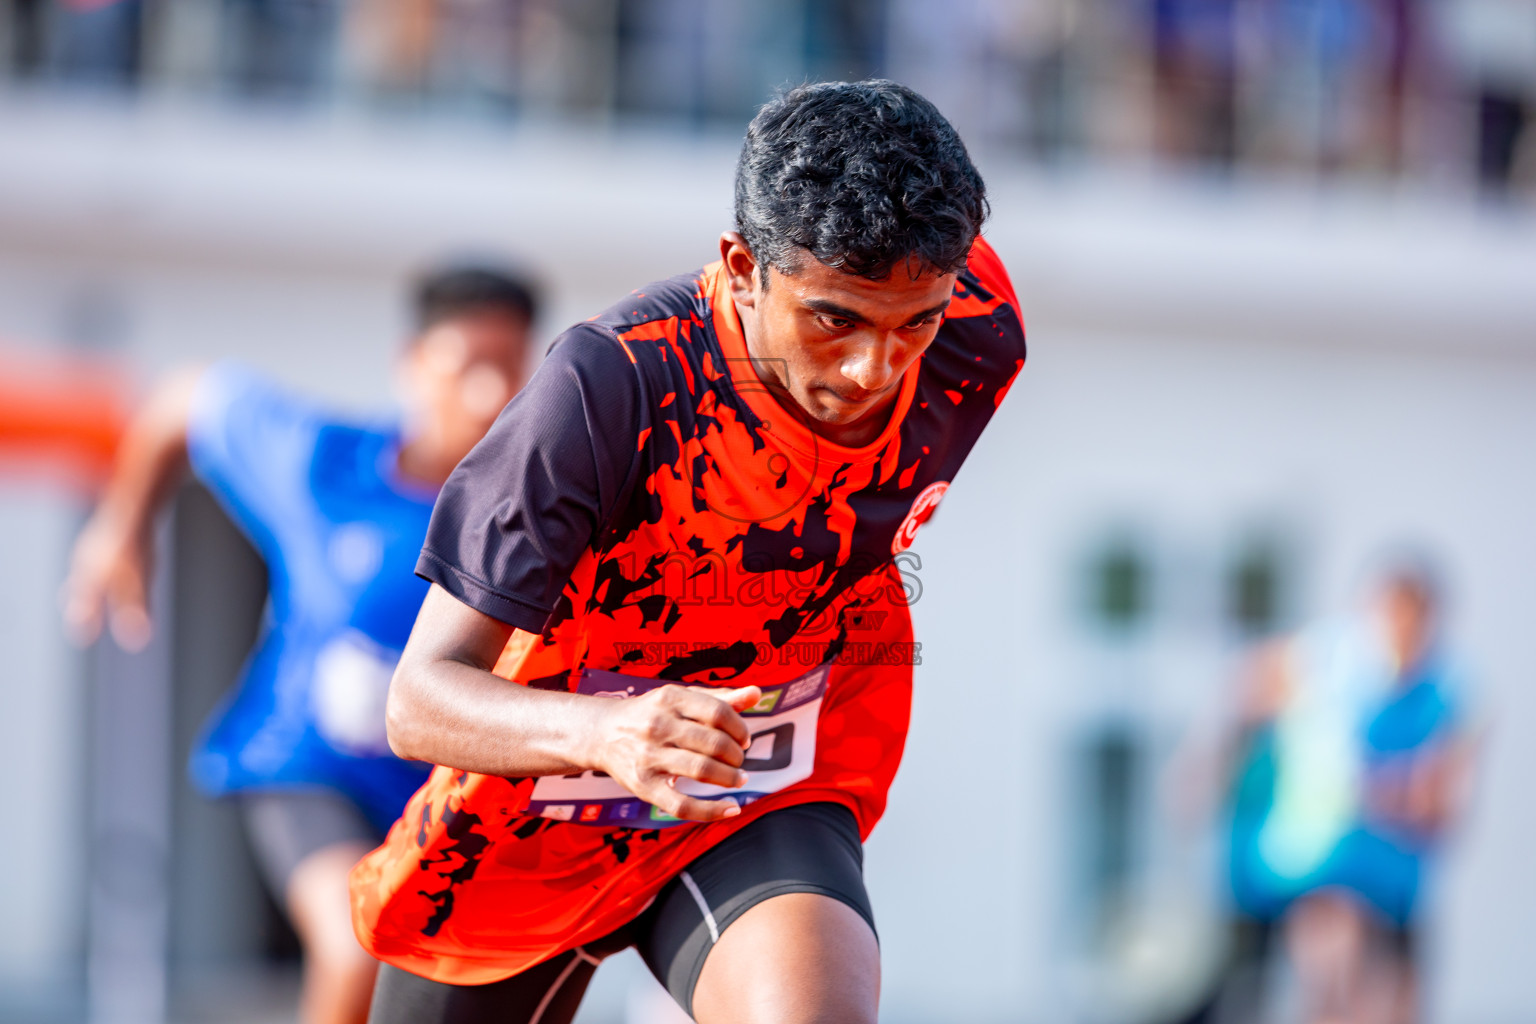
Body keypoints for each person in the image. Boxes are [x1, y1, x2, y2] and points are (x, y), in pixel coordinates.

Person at [349, 80, 1028, 1024]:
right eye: (834, 319)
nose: (875, 372)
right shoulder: (610, 384)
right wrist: (608, 734)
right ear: (743, 266)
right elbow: (420, 699)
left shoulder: (978, 331)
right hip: (535, 808)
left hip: (760, 776)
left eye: (914, 321)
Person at [62, 265, 539, 1024]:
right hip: (313, 771)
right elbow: (187, 396)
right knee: (357, 942)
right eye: (466, 368)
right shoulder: (321, 465)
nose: (488, 397)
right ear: (411, 365)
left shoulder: (540, 512)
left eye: (508, 369)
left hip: (453, 793)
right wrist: (123, 525)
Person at [1215, 559, 1477, 1024]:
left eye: (1412, 620)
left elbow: (1441, 808)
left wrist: (1382, 790)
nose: (1398, 633)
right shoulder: (1326, 660)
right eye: (1389, 617)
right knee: (1331, 986)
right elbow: (1253, 686)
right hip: (1320, 867)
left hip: (1393, 883)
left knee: (1394, 1003)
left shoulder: (1447, 690)